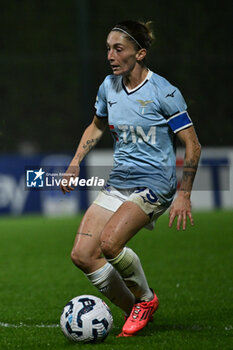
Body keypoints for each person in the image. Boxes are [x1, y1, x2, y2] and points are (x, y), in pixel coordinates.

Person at [61, 20, 201, 337]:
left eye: (118, 48)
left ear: (140, 54)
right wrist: (75, 162)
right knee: (82, 255)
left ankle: (146, 299)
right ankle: (133, 310)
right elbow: (97, 126)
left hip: (155, 185)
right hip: (120, 181)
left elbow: (192, 144)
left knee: (110, 243)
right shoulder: (108, 87)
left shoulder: (164, 92)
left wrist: (184, 193)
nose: (110, 55)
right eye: (108, 48)